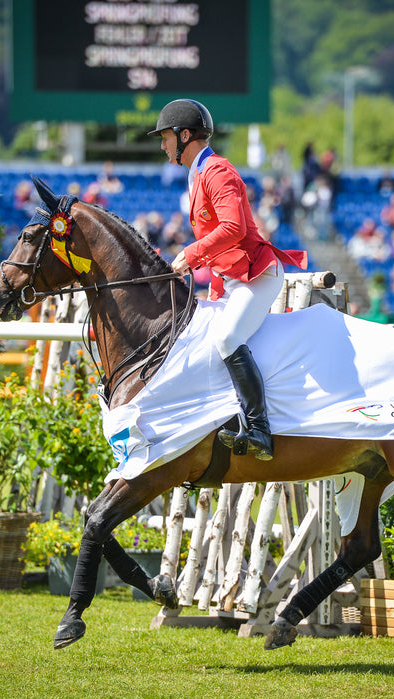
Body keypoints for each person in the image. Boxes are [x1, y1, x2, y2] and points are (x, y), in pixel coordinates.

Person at [152, 99, 308, 461]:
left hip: (257, 274)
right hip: (233, 277)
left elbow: (234, 228)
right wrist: (216, 285)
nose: (162, 145)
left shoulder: (218, 171)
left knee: (227, 336)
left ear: (184, 134)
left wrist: (190, 255)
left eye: (165, 137)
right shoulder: (199, 174)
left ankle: (259, 429)